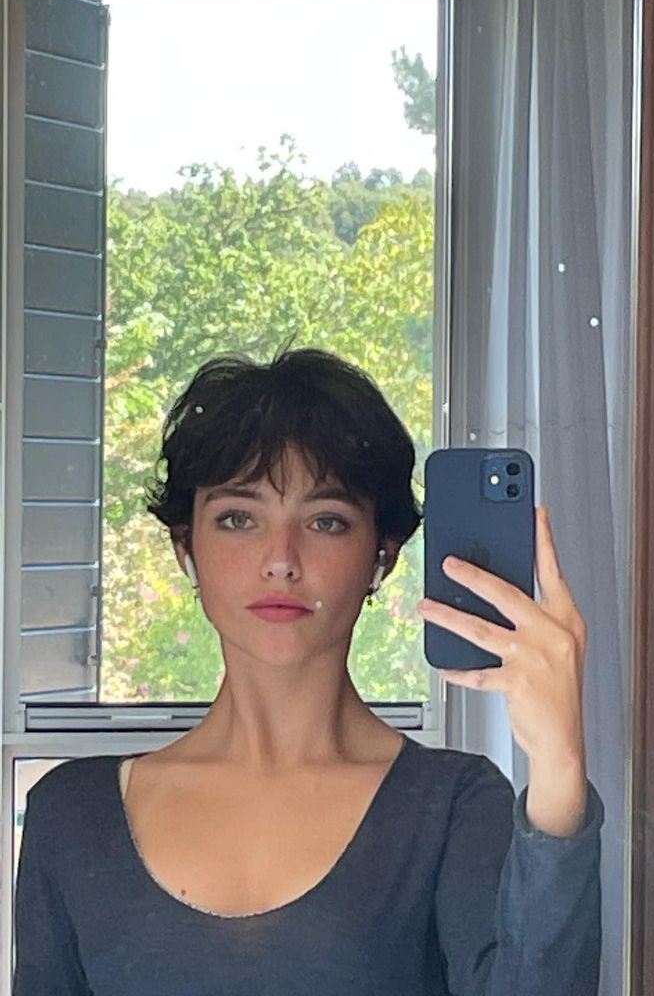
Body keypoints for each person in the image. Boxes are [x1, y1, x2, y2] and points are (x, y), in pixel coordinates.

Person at [12, 347, 603, 995]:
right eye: (238, 518)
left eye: (326, 521)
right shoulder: (71, 817)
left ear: (382, 556)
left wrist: (560, 765)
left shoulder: (453, 806)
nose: (281, 559)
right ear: (187, 549)